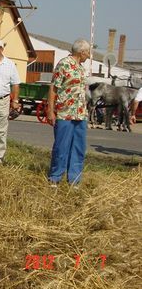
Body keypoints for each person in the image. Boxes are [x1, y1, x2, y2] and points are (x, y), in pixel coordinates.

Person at [47, 39, 90, 188]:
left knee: (78, 147)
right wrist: (50, 110)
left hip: (80, 114)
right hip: (64, 113)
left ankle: (74, 179)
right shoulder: (64, 64)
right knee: (61, 146)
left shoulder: (81, 68)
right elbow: (54, 87)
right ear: (81, 51)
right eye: (88, 52)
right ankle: (55, 177)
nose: (89, 56)